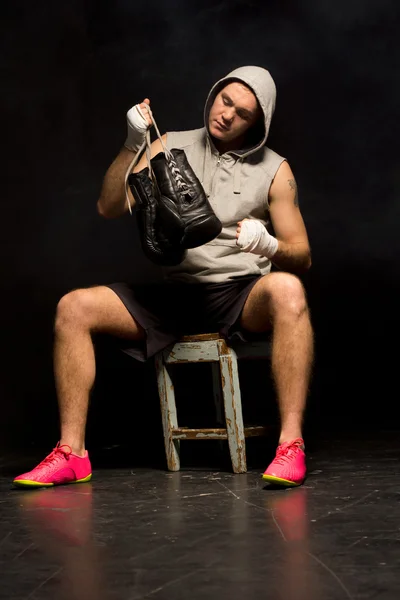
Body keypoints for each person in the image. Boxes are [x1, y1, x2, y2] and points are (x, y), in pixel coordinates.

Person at [14, 66, 313, 489]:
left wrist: (270, 246)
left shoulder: (275, 169)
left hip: (238, 296)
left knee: (288, 289)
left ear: (256, 124)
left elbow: (301, 256)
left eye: (241, 113)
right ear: (214, 95)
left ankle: (290, 446)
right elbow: (109, 205)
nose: (226, 115)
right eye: (224, 100)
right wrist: (132, 145)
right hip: (174, 295)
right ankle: (72, 453)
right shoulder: (169, 144)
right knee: (74, 306)